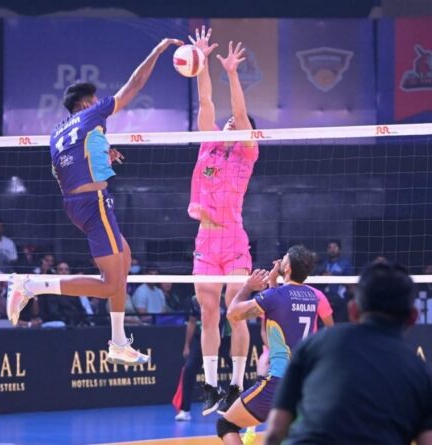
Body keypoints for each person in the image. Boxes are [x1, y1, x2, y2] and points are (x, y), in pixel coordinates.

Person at [7, 36, 183, 366]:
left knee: (124, 258)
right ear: (88, 104)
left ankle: (118, 341)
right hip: (94, 202)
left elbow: (70, 164)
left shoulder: (57, 133)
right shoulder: (93, 115)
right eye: (97, 100)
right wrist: (158, 51)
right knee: (111, 284)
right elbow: (135, 84)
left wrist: (104, 152)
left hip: (76, 205)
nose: (103, 103)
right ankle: (31, 284)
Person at [264, 261, 432, 445]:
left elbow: (274, 433)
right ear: (413, 318)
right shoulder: (426, 378)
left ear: (353, 311)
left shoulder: (313, 346)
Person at [187, 26, 260, 415]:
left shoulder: (246, 153)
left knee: (236, 308)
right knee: (208, 312)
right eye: (228, 121)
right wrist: (201, 63)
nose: (230, 122)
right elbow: (205, 100)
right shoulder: (209, 144)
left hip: (233, 239)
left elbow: (240, 113)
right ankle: (212, 385)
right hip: (205, 239)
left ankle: (236, 385)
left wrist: (231, 73)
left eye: (236, 121)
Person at [217, 245, 334, 445]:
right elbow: (283, 308)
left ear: (288, 268)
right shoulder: (313, 296)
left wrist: (248, 287)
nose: (281, 258)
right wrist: (272, 283)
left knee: (225, 425)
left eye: (285, 257)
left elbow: (232, 314)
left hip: (278, 382)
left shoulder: (275, 296)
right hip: (304, 383)